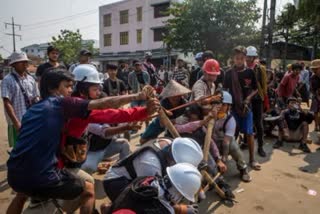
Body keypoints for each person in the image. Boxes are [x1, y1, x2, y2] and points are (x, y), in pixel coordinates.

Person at [6, 69, 159, 214]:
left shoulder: (33, 108)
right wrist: (140, 102)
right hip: (48, 171)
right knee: (88, 188)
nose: (69, 90)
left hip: (15, 172)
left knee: (21, 194)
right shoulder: (65, 104)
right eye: (67, 86)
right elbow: (107, 109)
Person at [102, 137, 203, 203]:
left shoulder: (171, 145)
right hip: (117, 181)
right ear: (174, 160)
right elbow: (155, 197)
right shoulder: (150, 164)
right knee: (143, 206)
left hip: (138, 178)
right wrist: (181, 209)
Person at [107, 163, 202, 214]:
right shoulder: (163, 211)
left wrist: (181, 209)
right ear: (179, 194)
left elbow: (159, 199)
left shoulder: (145, 180)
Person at [223, 46, 261, 170]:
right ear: (233, 58)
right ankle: (231, 159)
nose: (239, 61)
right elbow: (225, 91)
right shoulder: (229, 73)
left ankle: (252, 159)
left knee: (249, 134)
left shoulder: (250, 72)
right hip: (233, 109)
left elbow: (255, 89)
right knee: (231, 134)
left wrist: (248, 98)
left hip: (247, 108)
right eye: (236, 58)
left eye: (241, 58)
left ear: (245, 58)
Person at [1, 52, 39, 148]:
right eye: (21, 62)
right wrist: (16, 123)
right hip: (17, 120)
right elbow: (7, 102)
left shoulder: (31, 79)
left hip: (31, 119)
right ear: (13, 64)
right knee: (19, 147)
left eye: (26, 62)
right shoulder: (7, 80)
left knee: (32, 145)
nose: (25, 64)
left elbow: (36, 98)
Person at [212, 91, 251, 182]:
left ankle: (243, 168)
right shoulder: (209, 114)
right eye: (218, 104)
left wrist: (224, 158)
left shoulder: (230, 120)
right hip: (211, 143)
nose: (221, 107)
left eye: (224, 105)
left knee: (233, 146)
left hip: (224, 143)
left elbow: (226, 141)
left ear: (229, 107)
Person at [246, 46, 268, 157]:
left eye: (251, 56)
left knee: (259, 123)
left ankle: (260, 146)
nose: (249, 59)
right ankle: (246, 142)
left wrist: (265, 99)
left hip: (257, 98)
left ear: (254, 57)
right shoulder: (243, 67)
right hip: (246, 99)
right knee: (247, 121)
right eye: (247, 56)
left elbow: (264, 85)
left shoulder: (260, 69)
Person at [310, 59, 320, 131]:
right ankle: (316, 126)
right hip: (316, 95)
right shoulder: (312, 77)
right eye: (313, 69)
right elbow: (312, 89)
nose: (314, 70)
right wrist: (317, 96)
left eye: (316, 69)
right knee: (315, 111)